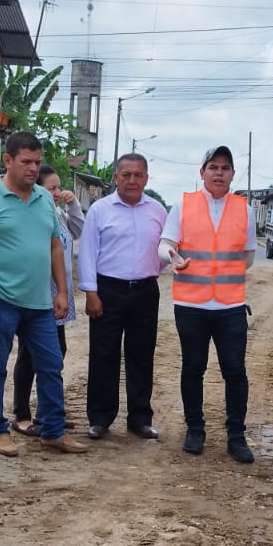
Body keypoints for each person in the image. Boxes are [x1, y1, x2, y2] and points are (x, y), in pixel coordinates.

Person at [0, 131, 88, 457]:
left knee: (50, 365)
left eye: (37, 162)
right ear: (8, 160)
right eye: (26, 162)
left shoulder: (44, 198)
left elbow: (55, 246)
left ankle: (53, 431)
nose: (33, 168)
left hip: (40, 301)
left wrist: (63, 292)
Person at [161, 145, 256, 462]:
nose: (219, 173)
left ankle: (236, 436)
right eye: (213, 167)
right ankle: (195, 430)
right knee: (193, 368)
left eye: (225, 168)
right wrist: (172, 257)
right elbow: (166, 244)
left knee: (235, 371)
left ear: (232, 174)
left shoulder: (245, 210)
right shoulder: (183, 204)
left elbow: (248, 257)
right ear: (202, 172)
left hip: (230, 305)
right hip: (191, 305)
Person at [77, 153, 167, 440]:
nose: (132, 180)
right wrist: (91, 292)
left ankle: (140, 418)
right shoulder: (100, 210)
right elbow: (88, 253)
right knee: (104, 354)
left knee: (142, 355)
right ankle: (100, 418)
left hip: (145, 291)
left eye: (138, 175)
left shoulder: (157, 211)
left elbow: (166, 250)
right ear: (115, 177)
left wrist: (149, 270)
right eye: (126, 174)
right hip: (108, 290)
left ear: (146, 179)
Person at [12, 164, 84, 436]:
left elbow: (78, 229)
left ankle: (48, 412)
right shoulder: (32, 215)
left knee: (56, 354)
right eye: (52, 188)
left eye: (59, 187)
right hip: (39, 295)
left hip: (59, 295)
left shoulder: (58, 214)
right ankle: (21, 414)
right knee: (29, 355)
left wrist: (73, 204)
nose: (57, 192)